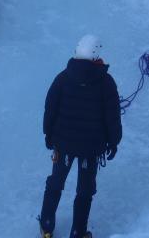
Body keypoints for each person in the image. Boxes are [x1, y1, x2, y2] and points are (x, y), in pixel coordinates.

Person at [39, 35, 122, 238]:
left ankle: (46, 225)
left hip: (63, 144)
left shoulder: (62, 78)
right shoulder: (106, 82)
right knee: (85, 190)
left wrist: (49, 135)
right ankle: (78, 232)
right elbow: (112, 116)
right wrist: (113, 142)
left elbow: (50, 109)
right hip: (90, 149)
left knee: (56, 182)